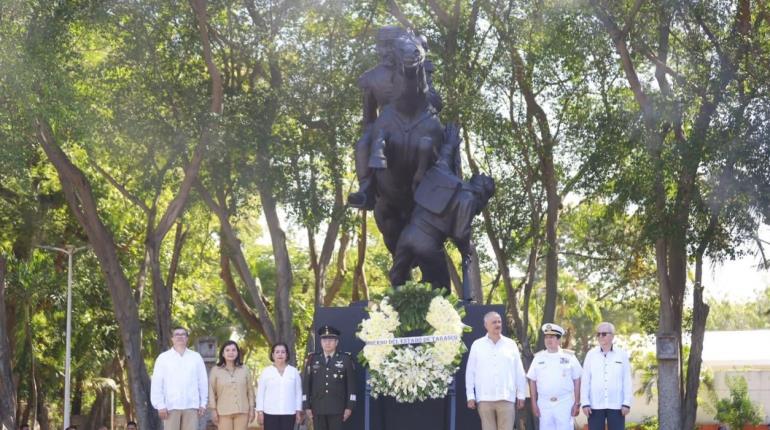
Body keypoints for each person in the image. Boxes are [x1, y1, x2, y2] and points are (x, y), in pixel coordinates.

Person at [465, 311, 527, 430]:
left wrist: (521, 394)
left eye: (499, 322)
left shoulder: (511, 344)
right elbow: (470, 372)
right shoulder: (477, 345)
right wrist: (470, 396)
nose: (497, 324)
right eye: (494, 322)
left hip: (506, 398)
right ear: (486, 325)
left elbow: (519, 371)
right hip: (484, 399)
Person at [150, 326, 208, 430]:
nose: (180, 337)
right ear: (172, 339)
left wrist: (203, 403)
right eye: (177, 334)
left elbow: (202, 382)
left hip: (191, 406)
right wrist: (160, 405)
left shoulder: (196, 357)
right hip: (170, 407)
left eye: (183, 334)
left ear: (187, 338)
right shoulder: (163, 358)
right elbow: (157, 383)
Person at [527, 323, 582, 430]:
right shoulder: (538, 358)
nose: (548, 340)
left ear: (558, 340)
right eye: (546, 337)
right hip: (544, 403)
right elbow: (532, 380)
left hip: (564, 403)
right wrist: (534, 403)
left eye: (551, 337)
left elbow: (577, 380)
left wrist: (577, 403)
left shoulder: (569, 357)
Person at [302, 325, 356, 430]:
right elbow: (306, 385)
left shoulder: (346, 359)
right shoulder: (312, 359)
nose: (327, 343)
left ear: (336, 342)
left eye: (331, 340)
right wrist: (306, 406)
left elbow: (351, 385)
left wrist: (350, 406)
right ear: (321, 342)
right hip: (318, 408)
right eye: (324, 340)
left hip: (338, 408)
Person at [581, 322, 632, 430]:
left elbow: (627, 380)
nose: (600, 336)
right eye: (598, 334)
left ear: (612, 336)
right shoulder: (591, 354)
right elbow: (585, 380)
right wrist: (585, 403)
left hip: (617, 405)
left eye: (603, 334)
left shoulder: (622, 355)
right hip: (595, 405)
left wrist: (626, 403)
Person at [208, 340, 255, 430]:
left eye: (234, 350)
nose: (231, 352)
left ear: (237, 353)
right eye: (227, 350)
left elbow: (250, 391)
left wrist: (252, 408)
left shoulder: (245, 369)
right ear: (222, 353)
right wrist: (213, 410)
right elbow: (211, 391)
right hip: (223, 412)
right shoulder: (215, 370)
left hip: (242, 411)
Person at [256, 343, 303, 430]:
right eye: (277, 352)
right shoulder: (266, 372)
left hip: (289, 412)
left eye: (283, 352)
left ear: (287, 354)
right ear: (273, 355)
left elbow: (298, 393)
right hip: (270, 413)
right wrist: (260, 412)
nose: (280, 354)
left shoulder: (293, 371)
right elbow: (260, 393)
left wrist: (298, 411)